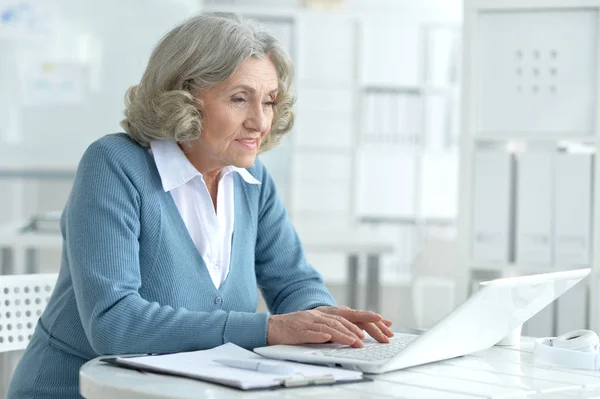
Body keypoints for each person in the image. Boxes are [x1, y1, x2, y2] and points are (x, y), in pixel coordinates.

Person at [7, 12, 393, 398]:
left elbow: (294, 281)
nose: (260, 121)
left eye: (270, 101)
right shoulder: (113, 165)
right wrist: (269, 329)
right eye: (240, 99)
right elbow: (114, 323)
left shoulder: (252, 182)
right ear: (184, 97)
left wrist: (322, 323)